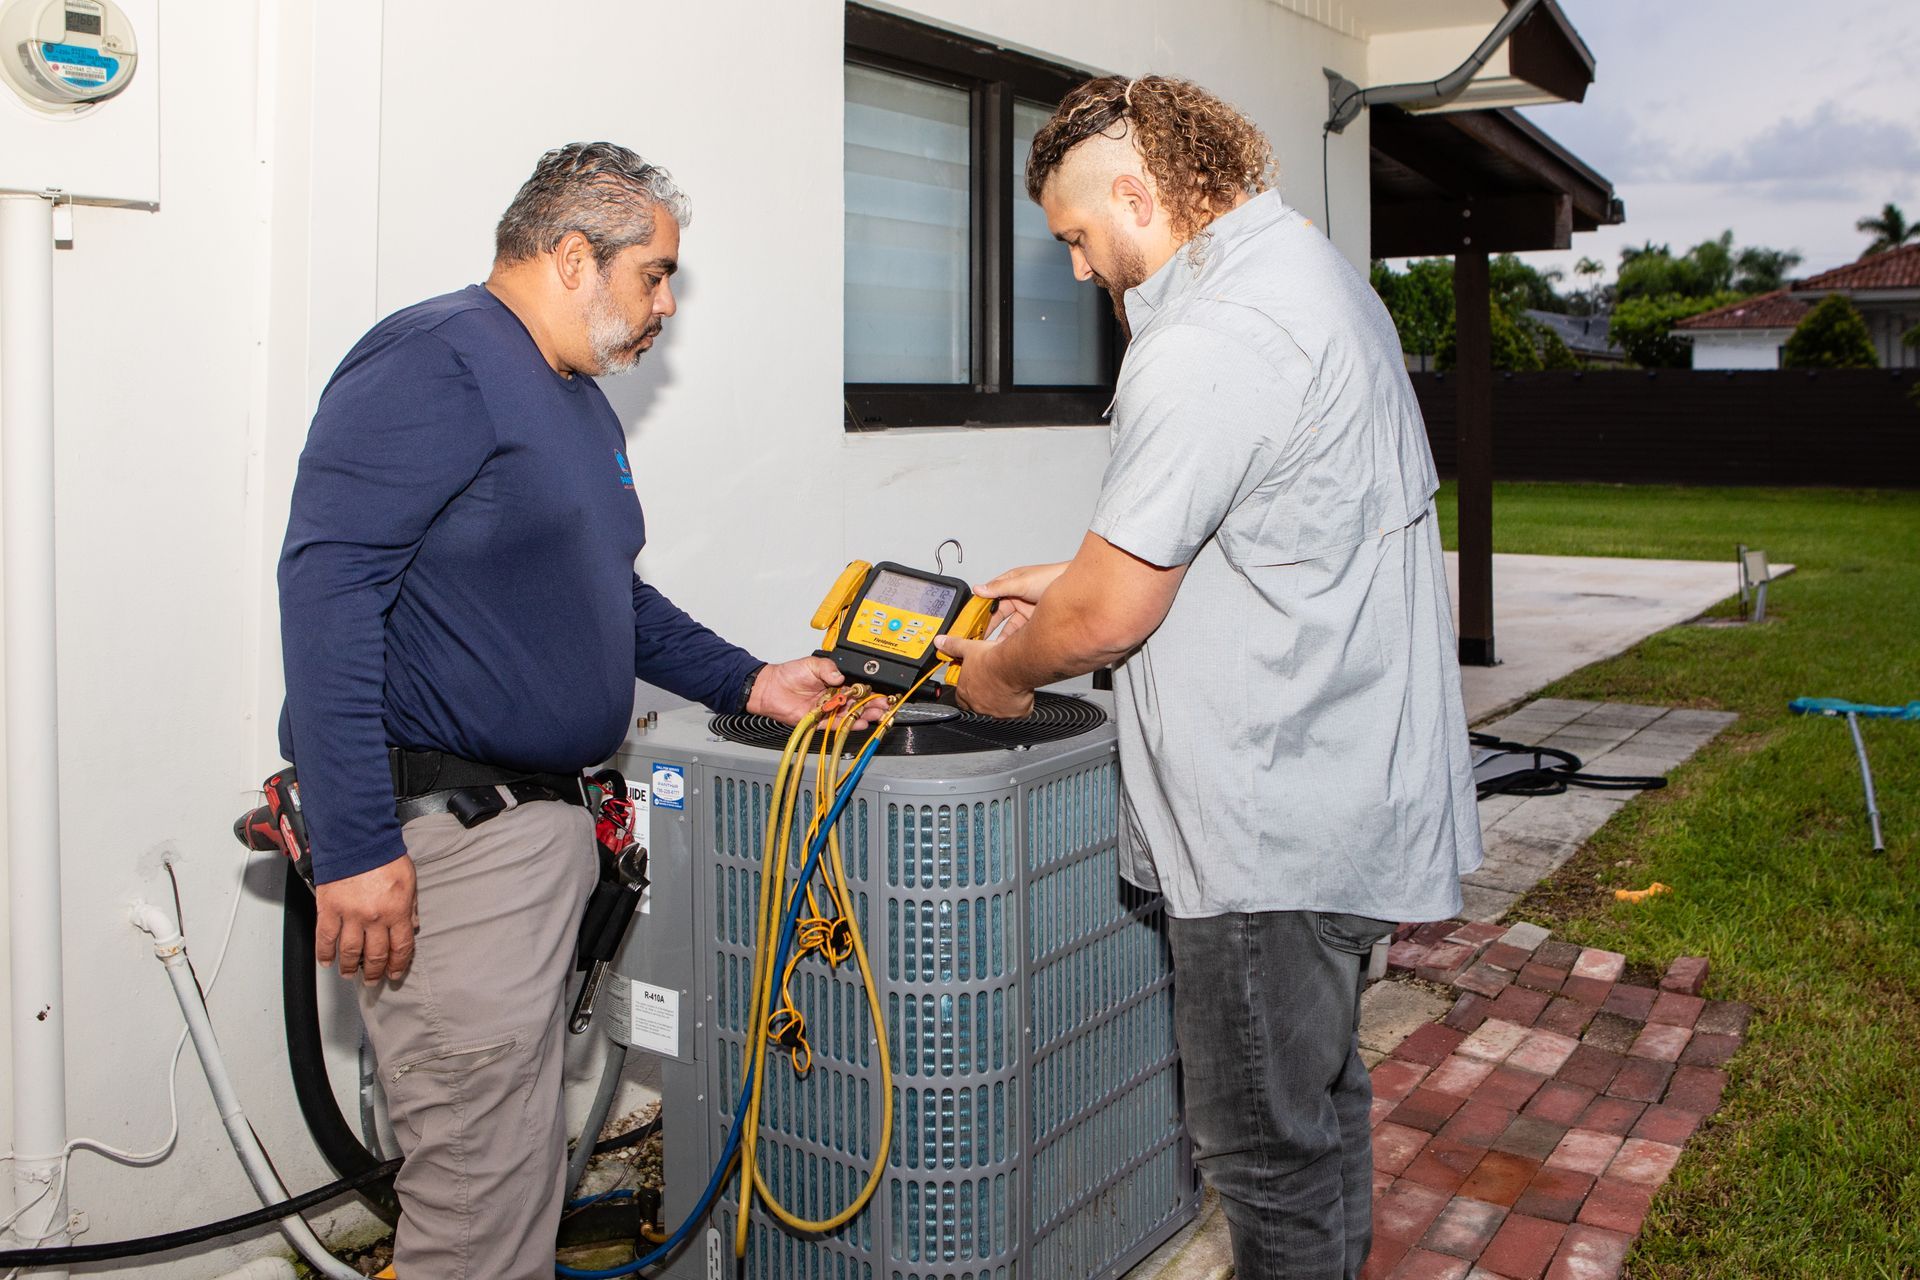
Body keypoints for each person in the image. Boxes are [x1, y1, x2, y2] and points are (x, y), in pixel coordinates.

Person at [277, 142, 863, 1279]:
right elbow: (328, 586)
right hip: (450, 844)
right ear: (570, 254)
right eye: (654, 274)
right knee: (480, 1207)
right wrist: (353, 839)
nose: (664, 304)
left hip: (533, 840)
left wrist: (747, 679)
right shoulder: (435, 360)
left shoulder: (575, 402)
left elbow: (609, 594)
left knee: (513, 1177)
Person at [935, 77, 1482, 1280]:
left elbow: (1111, 613)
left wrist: (1007, 672)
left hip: (1266, 826)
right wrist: (1069, 574)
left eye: (1079, 238)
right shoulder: (1312, 278)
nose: (1078, 270)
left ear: (1139, 193)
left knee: (1261, 1155)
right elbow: (1248, 528)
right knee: (1319, 1112)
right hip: (1341, 794)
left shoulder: (1208, 337)